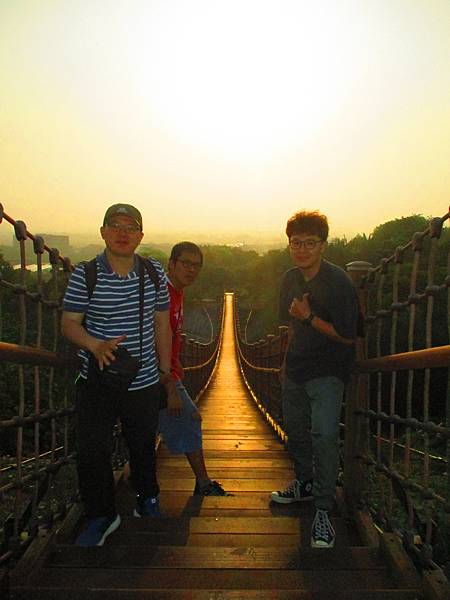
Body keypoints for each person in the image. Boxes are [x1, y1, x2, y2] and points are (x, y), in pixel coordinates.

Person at [62, 203, 176, 547]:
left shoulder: (153, 272)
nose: (122, 233)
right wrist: (94, 345)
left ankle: (147, 498)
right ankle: (102, 515)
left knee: (142, 445)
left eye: (130, 227)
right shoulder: (86, 274)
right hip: (97, 379)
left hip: (143, 380)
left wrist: (165, 370)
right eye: (115, 226)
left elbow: (162, 323)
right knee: (92, 450)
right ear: (103, 232)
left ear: (140, 236)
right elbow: (69, 323)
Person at [270, 210, 359, 549]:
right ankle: (304, 483)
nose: (302, 249)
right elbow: (291, 326)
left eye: (310, 243)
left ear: (323, 245)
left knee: (323, 435)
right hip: (296, 368)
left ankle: (323, 508)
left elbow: (348, 336)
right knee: (295, 432)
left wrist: (309, 317)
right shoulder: (290, 279)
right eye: (296, 243)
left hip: (328, 371)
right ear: (289, 245)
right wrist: (284, 362)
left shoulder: (339, 283)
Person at [158, 241, 231, 496]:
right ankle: (202, 483)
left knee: (147, 428)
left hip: (165, 371)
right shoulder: (164, 294)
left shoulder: (176, 291)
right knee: (190, 418)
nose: (191, 270)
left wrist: (175, 361)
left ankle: (141, 488)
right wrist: (170, 386)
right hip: (159, 376)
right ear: (171, 264)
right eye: (186, 263)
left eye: (196, 265)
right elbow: (153, 339)